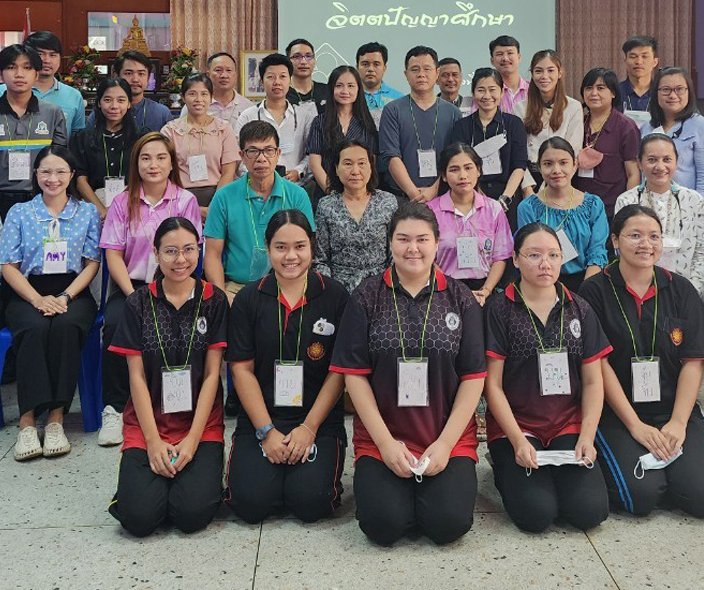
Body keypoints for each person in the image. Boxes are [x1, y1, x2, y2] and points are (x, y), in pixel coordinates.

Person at [330, 203, 486, 546]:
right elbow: (354, 375)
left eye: (422, 239)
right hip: (383, 436)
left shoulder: (461, 298)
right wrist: (385, 444)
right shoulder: (367, 296)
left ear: (437, 242)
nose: (412, 248)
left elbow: (474, 376)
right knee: (383, 526)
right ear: (390, 243)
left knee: (447, 526)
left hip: (445, 435)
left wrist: (445, 444)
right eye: (403, 239)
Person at [578, 205, 704, 519]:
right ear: (615, 240)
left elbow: (693, 361)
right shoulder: (594, 291)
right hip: (619, 413)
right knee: (640, 497)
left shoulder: (681, 289)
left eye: (654, 236)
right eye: (635, 236)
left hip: (673, 408)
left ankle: (673, 472)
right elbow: (599, 364)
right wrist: (635, 426)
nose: (646, 244)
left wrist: (679, 422)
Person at [483, 222, 613, 533]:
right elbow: (493, 386)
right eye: (534, 255)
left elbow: (593, 381)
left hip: (566, 423)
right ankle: (501, 464)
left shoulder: (579, 308)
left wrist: (587, 437)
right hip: (518, 426)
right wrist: (517, 440)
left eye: (553, 255)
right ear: (516, 260)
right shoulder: (499, 310)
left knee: (589, 512)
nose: (545, 264)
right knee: (536, 515)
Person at [106, 217, 228, 537]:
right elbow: (136, 378)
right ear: (156, 253)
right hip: (149, 423)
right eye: (171, 251)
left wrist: (193, 439)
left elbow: (213, 375)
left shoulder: (214, 301)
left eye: (189, 249)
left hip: (200, 425)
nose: (181, 259)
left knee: (191, 516)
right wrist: (152, 441)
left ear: (199, 250)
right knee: (139, 519)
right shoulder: (137, 303)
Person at [226, 210, 350, 524]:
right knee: (249, 505)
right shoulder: (248, 299)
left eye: (299, 246)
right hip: (262, 417)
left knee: (312, 503)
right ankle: (274, 478)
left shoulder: (335, 296)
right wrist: (267, 432)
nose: (290, 256)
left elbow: (338, 371)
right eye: (280, 247)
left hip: (317, 420)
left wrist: (308, 429)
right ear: (268, 248)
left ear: (312, 247)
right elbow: (241, 370)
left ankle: (292, 482)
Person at [99, 132, 202, 447]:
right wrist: (134, 297)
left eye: (160, 158)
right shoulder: (122, 202)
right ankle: (115, 408)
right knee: (115, 325)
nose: (153, 164)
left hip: (176, 283)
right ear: (136, 164)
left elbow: (191, 252)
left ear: (172, 164)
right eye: (145, 158)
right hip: (132, 286)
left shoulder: (185, 201)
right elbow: (113, 254)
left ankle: (175, 405)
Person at [0, 145, 101, 461]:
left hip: (73, 289)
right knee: (33, 328)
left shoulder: (86, 212)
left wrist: (65, 296)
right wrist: (36, 298)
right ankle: (28, 421)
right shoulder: (20, 212)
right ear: (36, 174)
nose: (52, 178)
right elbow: (8, 266)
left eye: (60, 172)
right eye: (45, 171)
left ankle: (56, 418)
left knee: (66, 327)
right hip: (28, 289)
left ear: (72, 175)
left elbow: (92, 263)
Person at [204, 120, 315, 299]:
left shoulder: (297, 195)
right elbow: (212, 255)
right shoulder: (224, 197)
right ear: (241, 155)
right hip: (237, 288)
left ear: (278, 154)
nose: (261, 158)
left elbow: (307, 249)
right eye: (253, 151)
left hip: (286, 285)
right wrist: (221, 298)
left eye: (268, 150)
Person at [0, 44, 68, 220]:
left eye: (27, 68)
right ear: (0, 75)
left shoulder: (53, 113)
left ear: (36, 75)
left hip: (42, 197)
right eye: (11, 67)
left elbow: (60, 163)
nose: (19, 74)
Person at [615, 134, 704, 290]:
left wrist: (691, 292)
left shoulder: (694, 200)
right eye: (652, 160)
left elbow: (702, 252)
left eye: (667, 159)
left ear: (677, 162)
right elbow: (622, 250)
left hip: (686, 288)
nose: (660, 167)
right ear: (639, 163)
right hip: (639, 288)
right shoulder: (627, 201)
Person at [516, 138, 608, 293]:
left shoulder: (593, 205)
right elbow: (530, 254)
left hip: (586, 282)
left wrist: (585, 292)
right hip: (542, 282)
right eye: (548, 164)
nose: (556, 170)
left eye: (563, 163)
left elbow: (597, 251)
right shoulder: (528, 208)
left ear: (575, 165)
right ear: (539, 167)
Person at [427, 143, 511, 305]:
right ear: (443, 176)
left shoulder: (493, 208)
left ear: (478, 170)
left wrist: (485, 291)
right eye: (454, 170)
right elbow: (427, 257)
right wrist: (451, 290)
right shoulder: (431, 211)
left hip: (485, 291)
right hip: (443, 291)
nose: (463, 175)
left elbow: (500, 256)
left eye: (468, 168)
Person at [378, 46, 463, 202]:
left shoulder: (453, 113)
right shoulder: (392, 110)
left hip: (444, 196)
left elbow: (457, 158)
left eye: (427, 69)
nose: (421, 74)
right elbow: (391, 156)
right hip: (402, 197)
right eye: (415, 69)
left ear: (437, 73)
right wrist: (413, 193)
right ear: (406, 74)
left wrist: (434, 191)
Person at [315, 141, 399, 293]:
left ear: (371, 167)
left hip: (381, 287)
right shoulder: (326, 205)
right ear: (336, 169)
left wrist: (390, 290)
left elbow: (395, 254)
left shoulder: (387, 202)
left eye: (361, 163)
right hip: (339, 289)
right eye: (348, 164)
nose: (355, 171)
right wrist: (330, 292)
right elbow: (321, 260)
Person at [640, 67, 704, 209]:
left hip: (688, 212)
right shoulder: (647, 128)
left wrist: (691, 215)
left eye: (679, 89)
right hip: (648, 211)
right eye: (666, 90)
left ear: (689, 92)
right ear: (656, 93)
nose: (672, 95)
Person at [449, 67, 527, 207]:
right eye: (481, 90)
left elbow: (519, 166)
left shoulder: (514, 124)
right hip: (471, 197)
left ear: (501, 92)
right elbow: (459, 163)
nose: (487, 96)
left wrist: (504, 199)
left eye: (492, 90)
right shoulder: (462, 126)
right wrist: (476, 196)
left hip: (508, 197)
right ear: (473, 94)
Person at [161, 73, 239, 210]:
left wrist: (214, 207)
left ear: (211, 97)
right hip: (180, 199)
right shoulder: (170, 131)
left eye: (204, 94)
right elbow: (164, 172)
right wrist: (186, 206)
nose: (199, 99)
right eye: (192, 94)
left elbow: (228, 172)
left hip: (218, 197)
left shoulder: (224, 129)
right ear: (183, 97)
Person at [234, 54, 315, 185]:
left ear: (290, 80)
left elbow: (311, 154)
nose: (277, 82)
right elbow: (238, 156)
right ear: (262, 81)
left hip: (296, 186)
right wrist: (260, 175)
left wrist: (298, 171)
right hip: (257, 186)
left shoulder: (304, 116)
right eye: (271, 77)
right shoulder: (248, 116)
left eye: (282, 76)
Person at [71, 77, 146, 218]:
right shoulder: (83, 138)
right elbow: (80, 181)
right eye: (107, 100)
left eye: (121, 100)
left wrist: (125, 209)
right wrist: (103, 212)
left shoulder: (142, 137)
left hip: (134, 207)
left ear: (129, 103)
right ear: (99, 103)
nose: (114, 106)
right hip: (93, 208)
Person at [0, 31, 86, 133]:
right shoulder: (2, 91)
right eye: (40, 54)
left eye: (53, 55)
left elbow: (77, 136)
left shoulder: (73, 95)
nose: (47, 60)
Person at [575, 68, 640, 218]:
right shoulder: (577, 121)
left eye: (600, 88)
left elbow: (633, 173)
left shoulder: (626, 127)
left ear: (613, 93)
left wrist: (627, 211)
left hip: (612, 209)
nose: (593, 93)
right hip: (578, 207)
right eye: (588, 88)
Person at [305, 65, 379, 197]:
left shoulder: (366, 123)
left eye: (350, 86)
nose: (345, 91)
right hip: (325, 193)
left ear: (358, 89)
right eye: (339, 86)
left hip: (359, 194)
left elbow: (371, 162)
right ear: (331, 89)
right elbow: (315, 164)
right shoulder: (320, 122)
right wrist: (332, 194)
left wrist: (355, 193)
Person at [518, 49, 584, 185]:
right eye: (538, 71)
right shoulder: (520, 108)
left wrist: (549, 186)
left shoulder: (573, 107)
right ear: (532, 74)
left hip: (560, 177)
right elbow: (518, 152)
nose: (544, 76)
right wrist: (527, 187)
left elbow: (573, 151)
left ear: (559, 73)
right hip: (528, 178)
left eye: (550, 70)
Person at [106, 50, 173, 132]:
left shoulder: (162, 113)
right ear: (116, 76)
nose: (135, 79)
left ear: (148, 78)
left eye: (141, 74)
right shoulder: (105, 110)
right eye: (128, 73)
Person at [206, 51, 255, 129]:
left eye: (229, 70)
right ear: (208, 75)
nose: (224, 75)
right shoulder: (196, 104)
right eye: (218, 70)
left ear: (235, 75)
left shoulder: (248, 107)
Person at [285, 38, 331, 115]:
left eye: (308, 56)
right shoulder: (282, 93)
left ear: (314, 60)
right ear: (288, 61)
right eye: (297, 56)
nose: (303, 62)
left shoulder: (328, 91)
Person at [358, 41, 403, 119]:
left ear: (384, 68)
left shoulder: (399, 99)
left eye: (376, 64)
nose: (370, 69)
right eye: (365, 64)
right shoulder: (348, 97)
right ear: (357, 67)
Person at [618, 35, 659, 115]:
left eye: (644, 56)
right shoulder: (615, 92)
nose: (639, 62)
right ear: (625, 60)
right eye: (633, 56)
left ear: (655, 62)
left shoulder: (661, 93)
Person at [489, 35, 529, 115]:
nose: (505, 58)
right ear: (492, 61)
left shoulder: (532, 89)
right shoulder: (487, 93)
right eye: (499, 54)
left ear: (519, 58)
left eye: (510, 53)